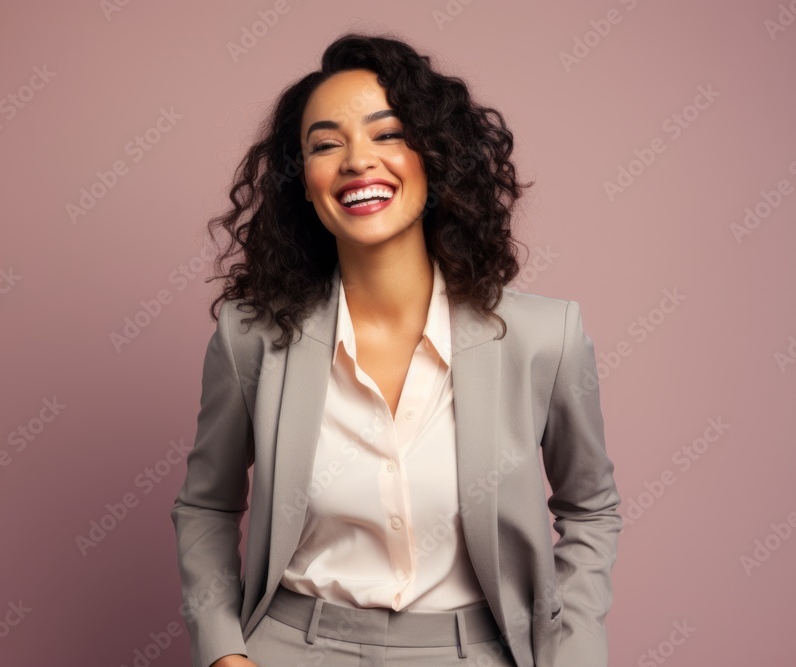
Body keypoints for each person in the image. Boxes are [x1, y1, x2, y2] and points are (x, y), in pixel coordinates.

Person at [170, 32, 623, 667]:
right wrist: (224, 656)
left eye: (387, 134)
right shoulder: (252, 337)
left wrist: (573, 657)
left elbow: (591, 509)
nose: (358, 160)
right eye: (326, 144)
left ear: (434, 157)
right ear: (302, 181)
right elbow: (207, 504)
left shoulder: (545, 338)